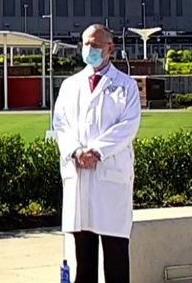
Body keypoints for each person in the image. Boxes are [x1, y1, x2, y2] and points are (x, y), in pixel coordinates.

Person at [52, 24, 140, 283]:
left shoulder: (125, 85)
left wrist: (96, 152)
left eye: (95, 45)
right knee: (84, 262)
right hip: (79, 177)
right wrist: (76, 151)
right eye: (86, 44)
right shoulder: (70, 85)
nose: (89, 49)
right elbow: (60, 124)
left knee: (115, 261)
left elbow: (128, 126)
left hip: (110, 178)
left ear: (110, 49)